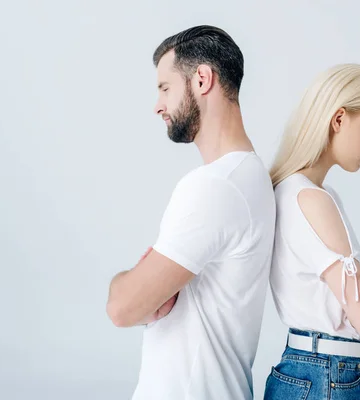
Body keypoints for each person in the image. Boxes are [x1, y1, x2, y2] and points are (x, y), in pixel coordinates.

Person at [105, 25, 276, 400]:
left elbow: (121, 307)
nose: (158, 104)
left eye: (165, 88)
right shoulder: (248, 177)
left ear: (201, 79)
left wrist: (129, 283)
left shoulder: (216, 186)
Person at [264, 63, 360, 400]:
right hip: (329, 375)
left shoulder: (291, 191)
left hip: (317, 373)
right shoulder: (312, 200)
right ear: (338, 119)